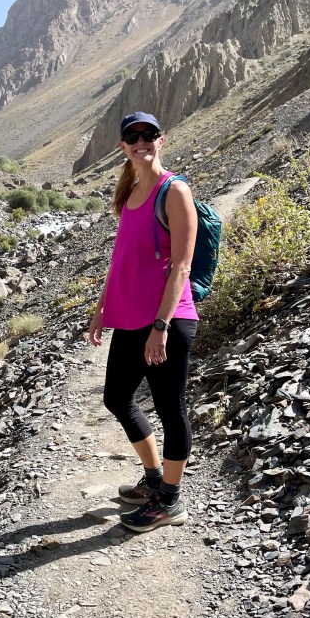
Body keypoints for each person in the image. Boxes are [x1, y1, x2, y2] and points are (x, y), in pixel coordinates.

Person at [88, 111, 198, 533]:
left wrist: (161, 326)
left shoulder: (175, 191)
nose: (141, 142)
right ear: (122, 147)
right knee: (117, 397)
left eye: (148, 134)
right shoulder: (130, 193)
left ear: (160, 140)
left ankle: (170, 500)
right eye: (132, 137)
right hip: (132, 319)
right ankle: (154, 480)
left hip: (166, 321)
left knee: (171, 408)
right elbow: (121, 260)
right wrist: (101, 308)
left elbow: (182, 267)